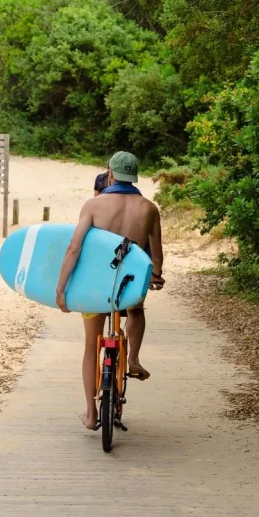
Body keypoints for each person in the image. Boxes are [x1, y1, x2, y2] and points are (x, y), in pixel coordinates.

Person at [56, 151, 164, 430]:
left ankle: (91, 414)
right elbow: (156, 255)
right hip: (129, 287)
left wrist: (61, 287)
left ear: (110, 173)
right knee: (137, 311)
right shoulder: (149, 208)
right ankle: (133, 359)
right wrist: (156, 276)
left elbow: (75, 247)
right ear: (135, 176)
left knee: (91, 345)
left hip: (95, 287)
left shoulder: (93, 205)